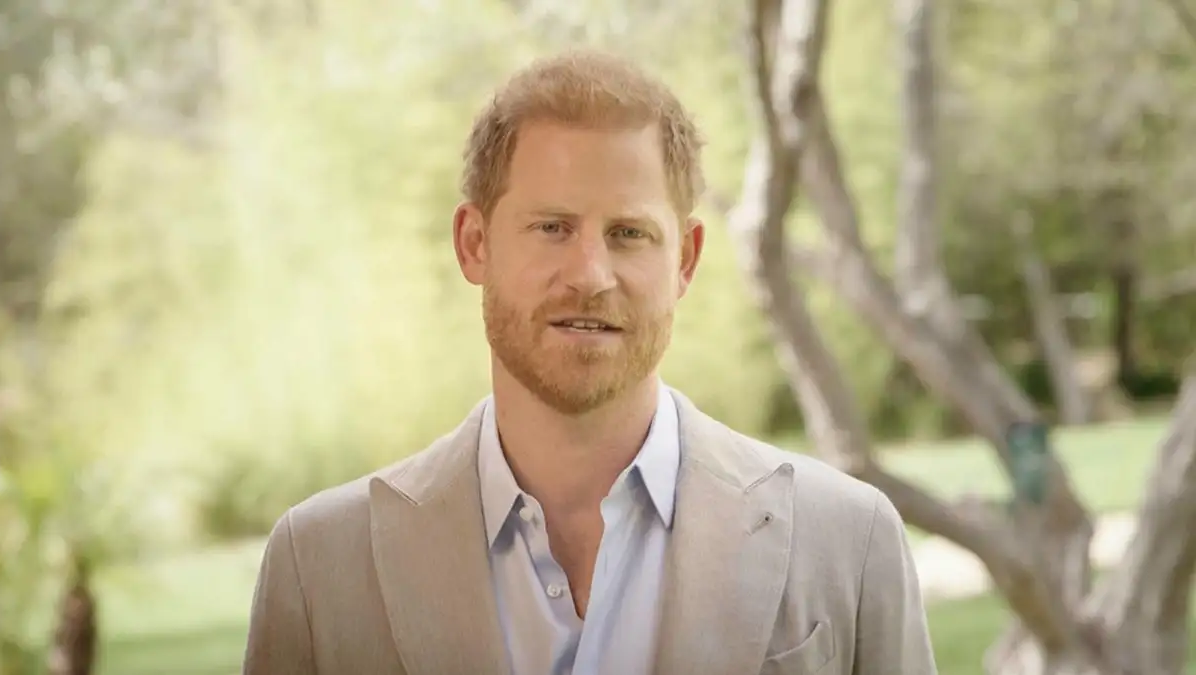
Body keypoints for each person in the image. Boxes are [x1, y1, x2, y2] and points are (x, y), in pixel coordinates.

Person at [242, 49, 937, 675]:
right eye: (552, 228)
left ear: (685, 260)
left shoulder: (850, 540)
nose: (591, 274)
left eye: (628, 233)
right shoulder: (319, 567)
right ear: (475, 243)